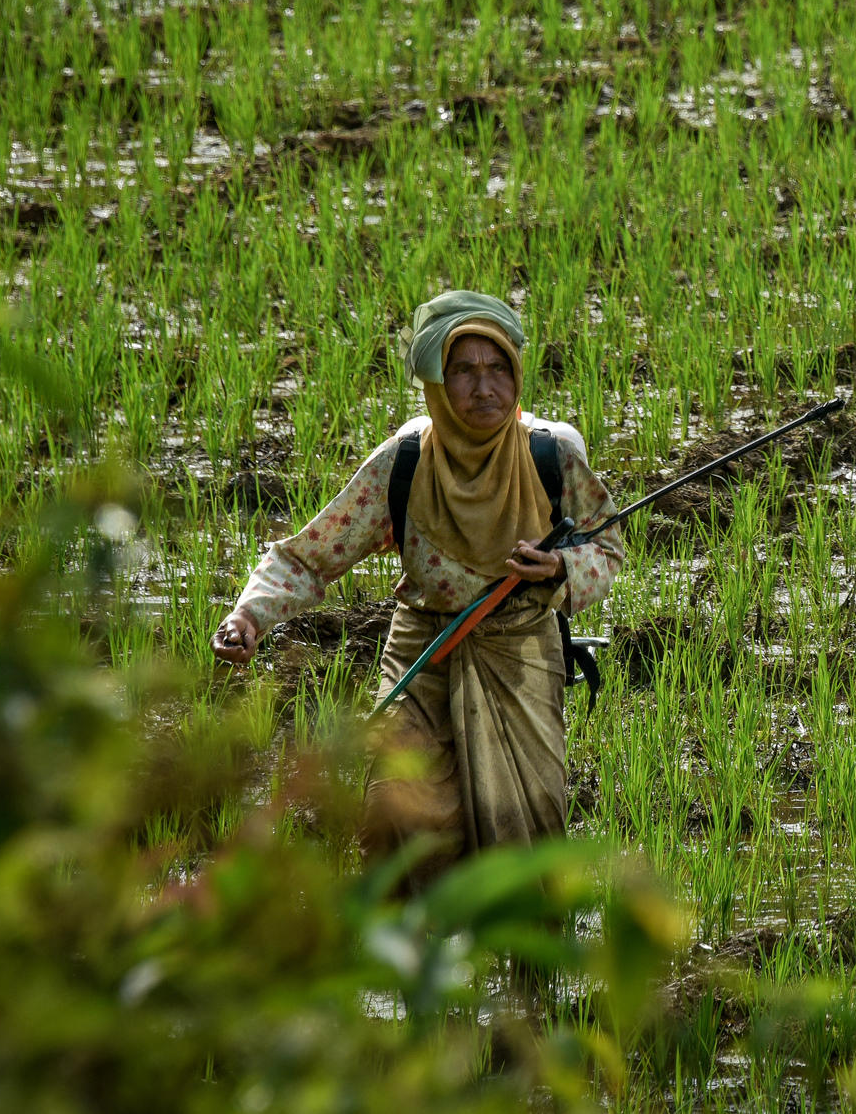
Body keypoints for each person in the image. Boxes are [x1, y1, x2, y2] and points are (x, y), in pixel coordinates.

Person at [211, 291, 624, 876]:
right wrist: (248, 616)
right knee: (395, 816)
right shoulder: (404, 461)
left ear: (517, 375)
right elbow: (308, 556)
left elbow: (605, 547)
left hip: (521, 653)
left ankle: (518, 939)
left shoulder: (550, 457)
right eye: (464, 371)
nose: (484, 388)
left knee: (523, 833)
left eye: (498, 368)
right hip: (423, 652)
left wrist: (559, 567)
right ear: (436, 383)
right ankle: (408, 934)